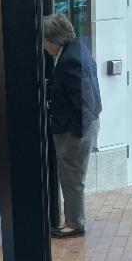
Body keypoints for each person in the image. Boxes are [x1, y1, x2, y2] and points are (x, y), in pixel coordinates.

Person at [43, 13, 102, 238]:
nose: (42, 45)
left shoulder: (70, 60)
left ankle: (74, 224)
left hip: (75, 129)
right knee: (72, 176)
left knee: (72, 177)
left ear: (53, 40)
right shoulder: (78, 50)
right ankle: (74, 220)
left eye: (44, 40)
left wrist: (77, 134)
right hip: (83, 124)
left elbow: (81, 101)